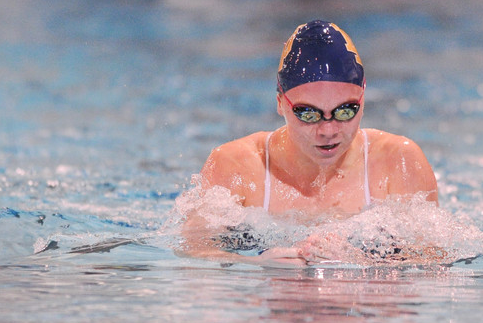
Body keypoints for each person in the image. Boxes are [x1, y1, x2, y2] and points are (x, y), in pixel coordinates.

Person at [180, 20, 439, 266]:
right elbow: (191, 250)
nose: (328, 130)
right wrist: (252, 263)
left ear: (363, 95)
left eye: (345, 111)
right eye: (308, 114)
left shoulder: (399, 162)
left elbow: (436, 259)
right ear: (280, 101)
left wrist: (360, 262)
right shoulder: (237, 166)